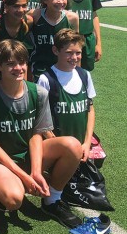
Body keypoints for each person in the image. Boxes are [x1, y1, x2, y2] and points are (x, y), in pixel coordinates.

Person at [0, 39, 82, 229]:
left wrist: (35, 170)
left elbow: (36, 134)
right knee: (13, 200)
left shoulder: (38, 92)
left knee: (73, 146)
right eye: (10, 64)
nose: (18, 68)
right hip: (2, 160)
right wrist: (25, 177)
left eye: (22, 62)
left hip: (29, 153)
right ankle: (6, 189)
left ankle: (52, 201)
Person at [38, 29, 95, 161]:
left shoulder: (85, 75)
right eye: (69, 53)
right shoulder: (46, 79)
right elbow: (40, 119)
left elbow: (90, 109)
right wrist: (60, 145)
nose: (74, 58)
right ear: (56, 50)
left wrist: (87, 143)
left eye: (78, 53)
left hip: (82, 146)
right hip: (57, 149)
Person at [29, 0, 79, 81]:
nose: (60, 1)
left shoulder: (72, 18)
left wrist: (78, 71)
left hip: (64, 68)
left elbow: (76, 47)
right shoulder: (34, 15)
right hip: (39, 68)